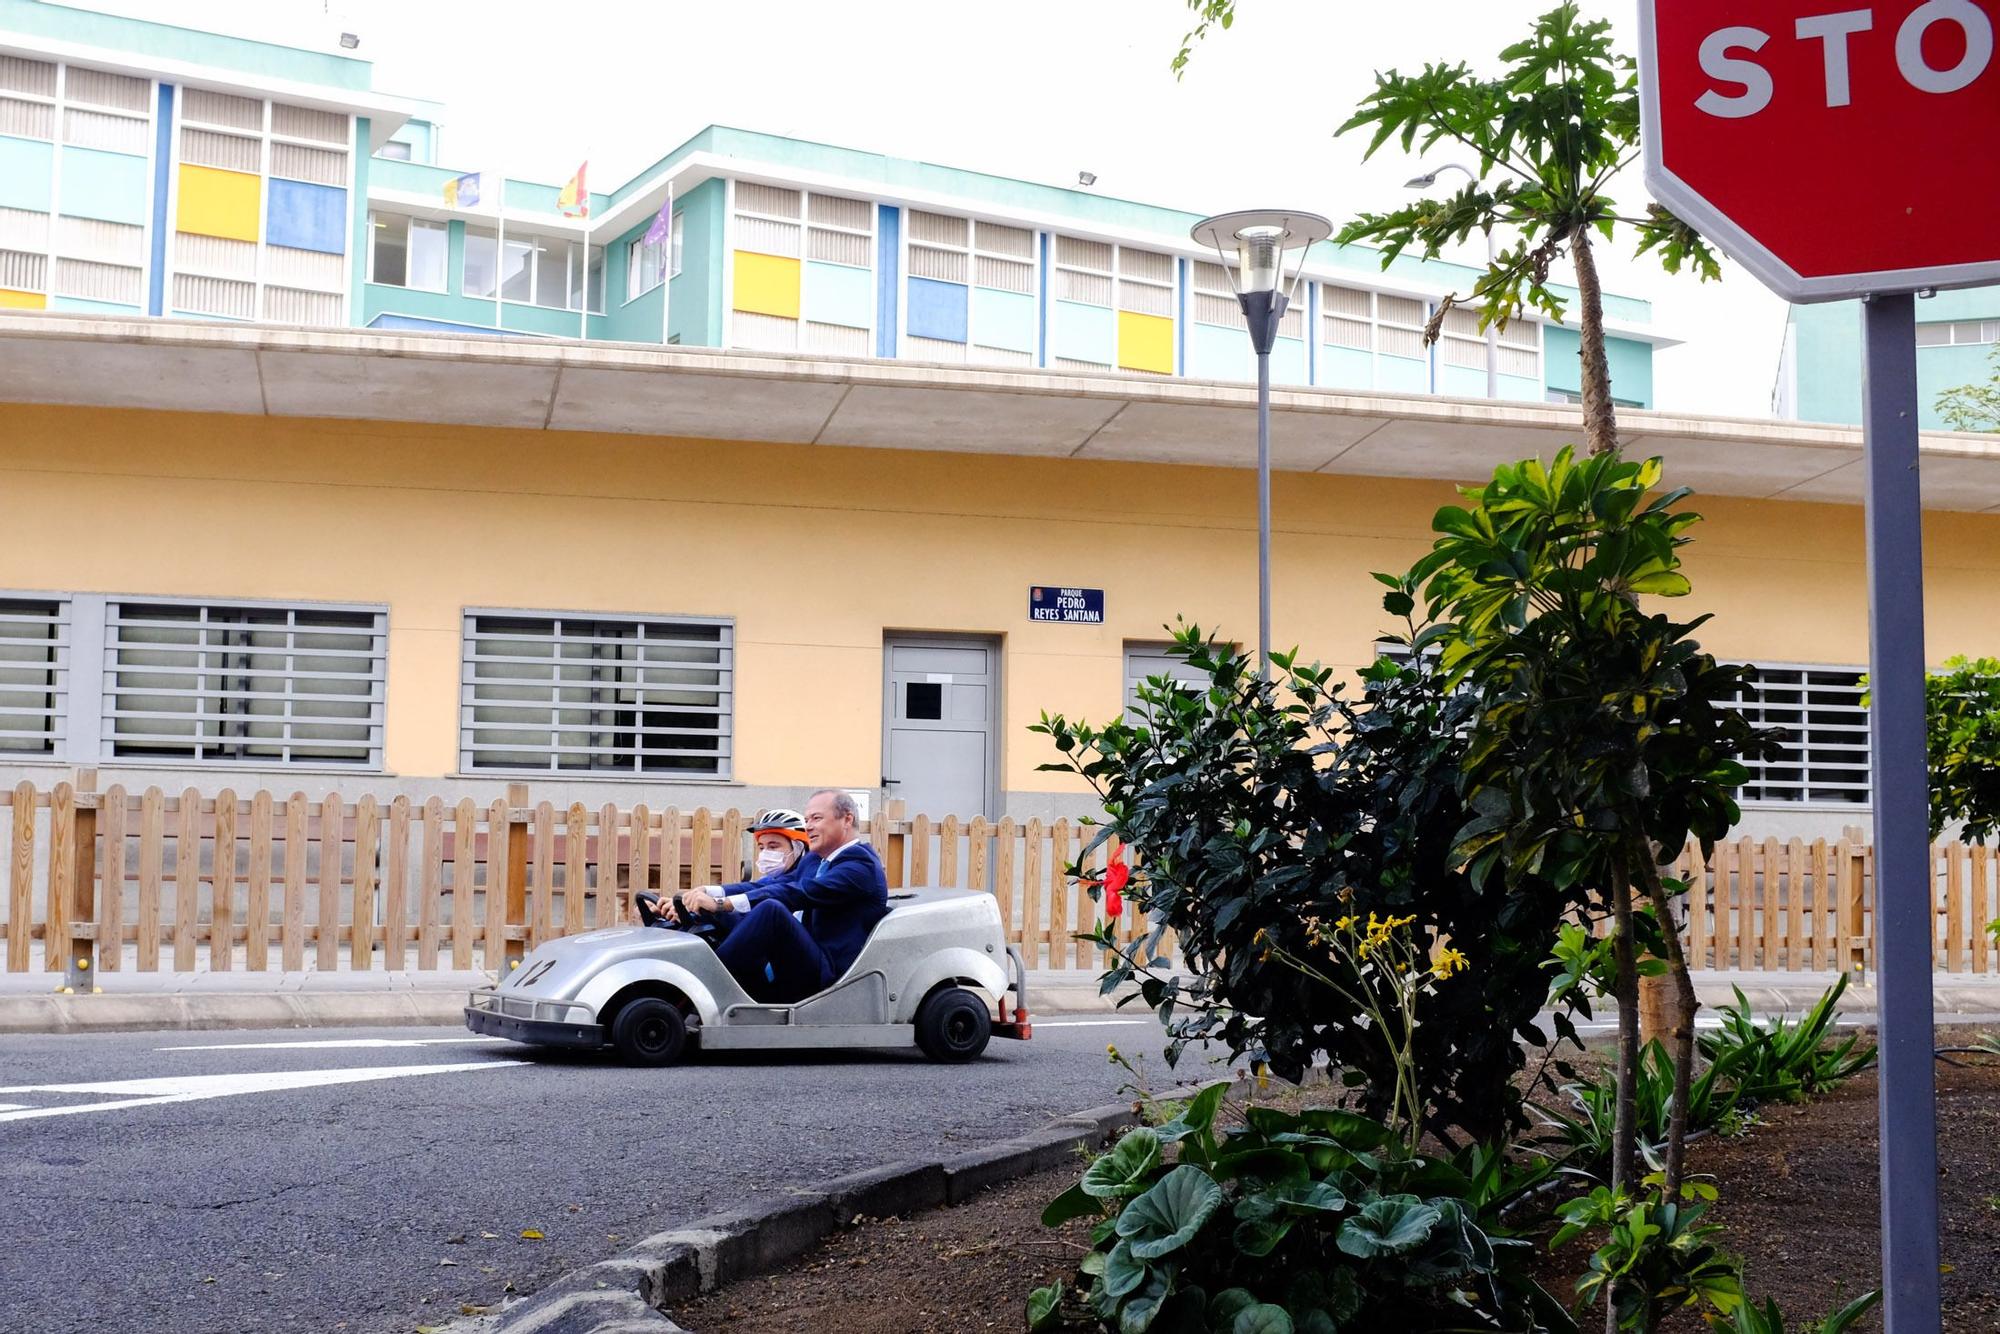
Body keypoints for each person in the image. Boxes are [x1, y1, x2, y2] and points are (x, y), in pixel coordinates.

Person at [668, 789, 888, 1002]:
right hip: (797, 961)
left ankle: (699, 988)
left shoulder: (861, 866)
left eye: (816, 818)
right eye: (807, 819)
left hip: (828, 976)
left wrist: (722, 903)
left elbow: (797, 893)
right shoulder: (816, 860)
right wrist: (704, 894)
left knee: (771, 910)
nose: (808, 826)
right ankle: (673, 969)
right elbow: (772, 884)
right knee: (719, 914)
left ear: (847, 819)